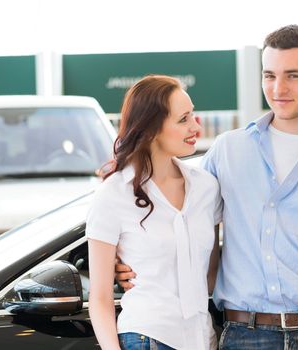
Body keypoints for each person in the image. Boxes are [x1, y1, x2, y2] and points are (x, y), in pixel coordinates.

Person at [117, 25, 298, 350]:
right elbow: (174, 211)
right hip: (244, 335)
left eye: (293, 76)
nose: (278, 88)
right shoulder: (228, 150)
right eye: (269, 75)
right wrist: (128, 259)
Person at [87, 75, 222, 350]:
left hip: (203, 339)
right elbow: (99, 297)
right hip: (147, 337)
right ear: (151, 128)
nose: (195, 126)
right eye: (183, 119)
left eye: (193, 115)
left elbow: (211, 275)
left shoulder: (206, 187)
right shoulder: (114, 193)